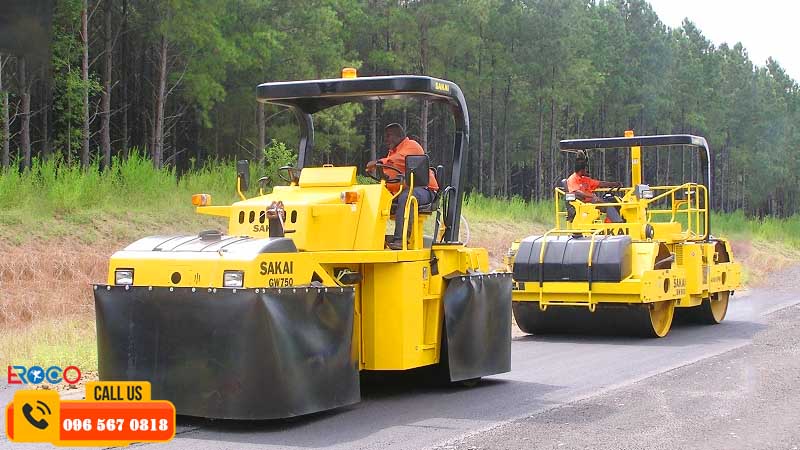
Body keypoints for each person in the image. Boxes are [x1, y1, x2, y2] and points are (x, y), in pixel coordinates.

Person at [367, 123, 439, 250]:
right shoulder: (392, 152)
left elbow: (399, 159)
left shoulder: (412, 146)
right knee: (372, 198)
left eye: (388, 136)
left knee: (406, 197)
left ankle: (400, 240)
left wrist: (378, 163)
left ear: (398, 135)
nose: (386, 139)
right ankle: (370, 239)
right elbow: (391, 172)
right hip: (402, 189)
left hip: (424, 189)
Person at [566, 158, 624, 223]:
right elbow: (576, 192)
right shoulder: (572, 179)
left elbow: (600, 183)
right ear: (582, 170)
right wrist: (592, 196)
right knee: (607, 205)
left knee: (615, 202)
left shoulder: (585, 179)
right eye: (586, 169)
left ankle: (611, 224)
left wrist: (614, 184)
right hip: (583, 203)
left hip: (591, 201)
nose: (587, 171)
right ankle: (618, 224)